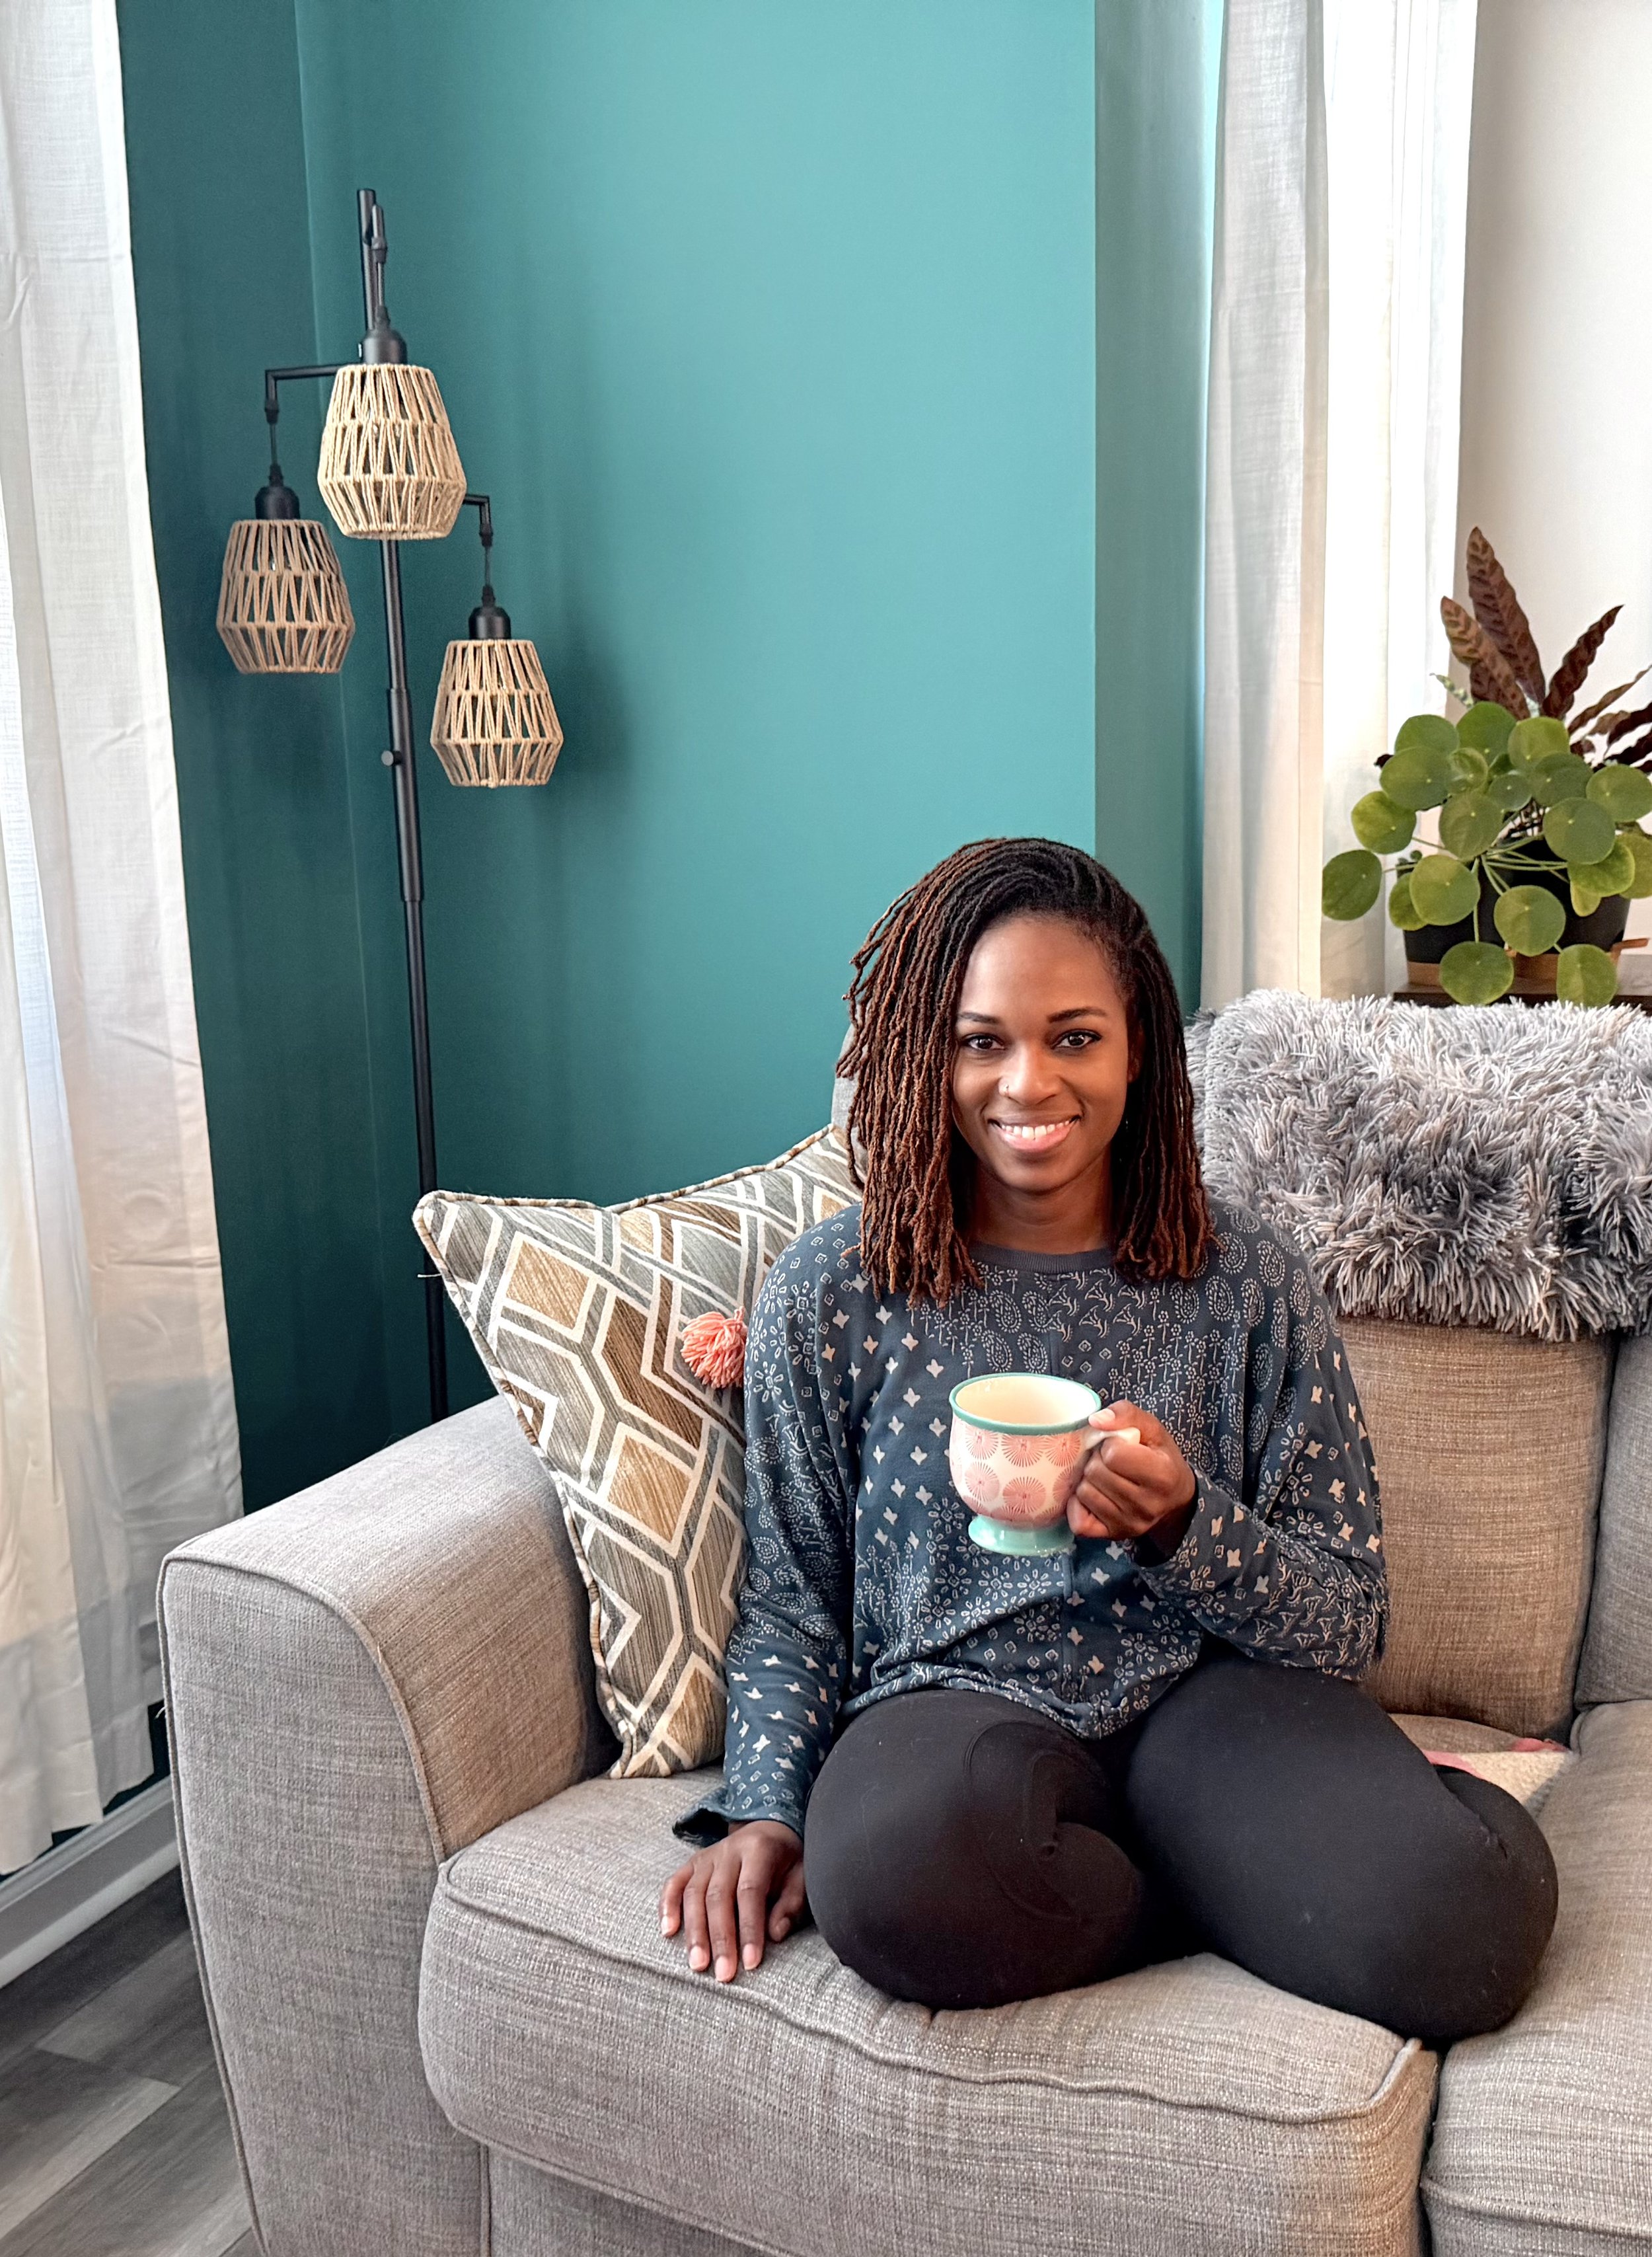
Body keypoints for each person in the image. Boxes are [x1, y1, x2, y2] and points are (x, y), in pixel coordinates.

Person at [659, 838, 1557, 2039]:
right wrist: (765, 1806)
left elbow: (1348, 1620)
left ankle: (1252, 1857)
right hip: (949, 1713)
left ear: (1142, 1048)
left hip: (1219, 1708)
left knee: (1460, 1939)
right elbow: (792, 1599)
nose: (1028, 1082)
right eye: (983, 1041)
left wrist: (1188, 1526)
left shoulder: (1248, 1281)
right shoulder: (837, 1290)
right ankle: (1222, 1895)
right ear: (929, 1053)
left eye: (1074, 1036)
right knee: (887, 1886)